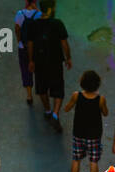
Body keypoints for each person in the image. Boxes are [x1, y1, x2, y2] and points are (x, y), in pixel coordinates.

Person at [27, 0, 71, 131]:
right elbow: (64, 43)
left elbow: (30, 44)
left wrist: (31, 60)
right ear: (51, 9)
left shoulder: (32, 25)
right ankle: (56, 114)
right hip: (55, 61)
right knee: (58, 87)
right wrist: (68, 58)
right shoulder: (57, 23)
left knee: (42, 87)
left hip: (39, 61)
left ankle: (47, 110)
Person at [65, 70, 108, 172]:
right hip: (94, 135)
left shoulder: (76, 96)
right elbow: (105, 113)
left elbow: (67, 108)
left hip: (78, 134)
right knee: (93, 161)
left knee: (76, 159)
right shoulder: (100, 99)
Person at [14, 0, 41, 105]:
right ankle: (41, 90)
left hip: (23, 47)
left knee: (25, 70)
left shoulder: (20, 14)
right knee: (39, 68)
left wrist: (19, 40)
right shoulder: (38, 14)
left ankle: (29, 95)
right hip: (37, 48)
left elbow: (17, 28)